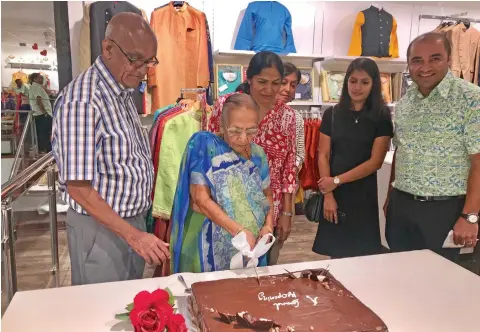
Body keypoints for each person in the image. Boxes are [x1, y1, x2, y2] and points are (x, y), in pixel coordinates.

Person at [51, 13, 168, 285]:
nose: (142, 69)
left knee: (127, 304)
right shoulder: (83, 102)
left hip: (129, 222)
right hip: (101, 229)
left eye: (149, 61)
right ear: (108, 49)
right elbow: (79, 188)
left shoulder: (121, 89)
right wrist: (134, 235)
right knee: (101, 313)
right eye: (135, 58)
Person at [384, 33, 480, 272]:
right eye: (417, 60)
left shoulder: (471, 98)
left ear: (449, 59)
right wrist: (390, 197)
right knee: (401, 274)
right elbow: (400, 151)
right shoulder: (406, 103)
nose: (424, 67)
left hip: (445, 211)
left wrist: (470, 216)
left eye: (434, 58)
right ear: (409, 64)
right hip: (402, 207)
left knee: (440, 282)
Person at [209, 51, 297, 265]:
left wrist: (286, 213)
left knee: (264, 268)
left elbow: (288, 170)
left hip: (268, 210)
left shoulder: (288, 117)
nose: (269, 89)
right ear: (249, 78)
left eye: (277, 83)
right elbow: (209, 154)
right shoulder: (224, 107)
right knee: (224, 269)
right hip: (227, 207)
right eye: (262, 82)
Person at [170, 93, 274, 273]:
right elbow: (200, 199)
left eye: (251, 131)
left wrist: (268, 226)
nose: (243, 138)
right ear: (223, 126)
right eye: (235, 131)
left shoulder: (258, 154)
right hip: (208, 239)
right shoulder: (205, 145)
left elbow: (267, 196)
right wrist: (238, 231)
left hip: (250, 244)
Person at [313, 58, 393, 259]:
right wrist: (328, 194)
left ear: (373, 84)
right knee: (336, 253)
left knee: (362, 253)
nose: (357, 87)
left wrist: (336, 181)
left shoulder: (381, 116)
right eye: (353, 80)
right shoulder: (332, 114)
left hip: (362, 192)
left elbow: (375, 162)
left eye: (364, 82)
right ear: (346, 81)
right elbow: (322, 154)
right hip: (334, 192)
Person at [29, 73, 53, 153]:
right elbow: (38, 100)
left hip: (41, 114)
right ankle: (45, 150)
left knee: (43, 132)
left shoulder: (38, 87)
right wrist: (45, 112)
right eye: (40, 78)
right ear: (34, 79)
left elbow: (49, 93)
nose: (42, 79)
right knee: (44, 133)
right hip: (42, 114)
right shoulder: (36, 87)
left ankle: (44, 149)